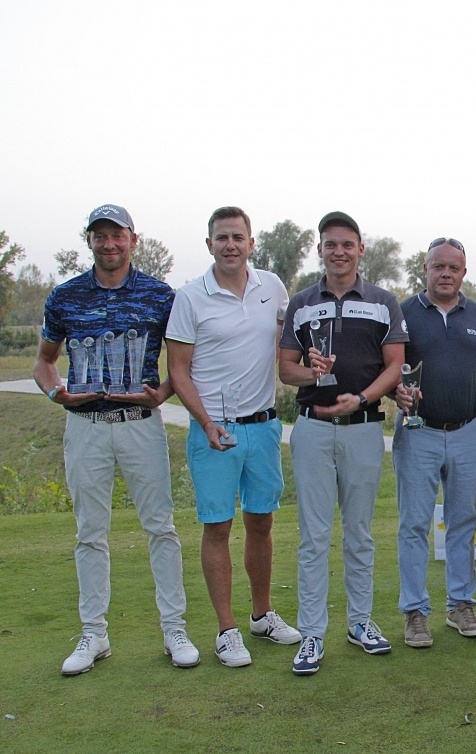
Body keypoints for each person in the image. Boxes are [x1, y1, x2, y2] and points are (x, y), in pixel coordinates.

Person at [35, 204, 199, 675]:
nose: (109, 244)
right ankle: (94, 633)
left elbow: (183, 362)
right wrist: (56, 392)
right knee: (90, 533)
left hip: (140, 423)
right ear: (89, 240)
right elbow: (45, 360)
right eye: (100, 235)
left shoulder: (159, 295)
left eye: (117, 235)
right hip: (85, 425)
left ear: (133, 239)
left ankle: (174, 628)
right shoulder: (65, 296)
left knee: (161, 528)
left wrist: (162, 392)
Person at [166, 206, 301, 668]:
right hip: (214, 430)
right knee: (218, 527)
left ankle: (262, 615)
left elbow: (291, 343)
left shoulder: (272, 287)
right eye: (221, 238)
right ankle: (227, 631)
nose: (230, 245)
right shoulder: (190, 297)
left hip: (263, 426)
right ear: (209, 244)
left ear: (251, 242)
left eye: (237, 237)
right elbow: (178, 371)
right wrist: (205, 422)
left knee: (262, 522)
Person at [278, 211, 408, 674]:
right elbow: (285, 369)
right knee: (313, 536)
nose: (339, 252)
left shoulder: (383, 302)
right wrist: (311, 372)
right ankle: (312, 634)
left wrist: (364, 397)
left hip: (364, 427)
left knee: (359, 532)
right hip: (313, 428)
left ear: (360, 249)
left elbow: (395, 366)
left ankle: (360, 622)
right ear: (320, 249)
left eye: (347, 244)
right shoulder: (301, 303)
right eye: (330, 244)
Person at [393, 237, 476, 648]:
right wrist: (395, 394)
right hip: (417, 431)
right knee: (414, 524)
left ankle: (460, 604)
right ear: (424, 269)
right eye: (438, 266)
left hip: (466, 431)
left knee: (463, 520)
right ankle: (415, 612)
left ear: (463, 272)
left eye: (453, 268)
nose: (445, 273)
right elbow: (390, 370)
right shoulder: (403, 314)